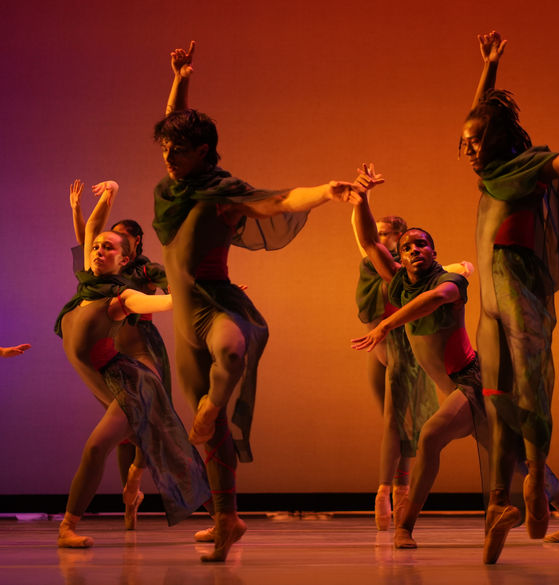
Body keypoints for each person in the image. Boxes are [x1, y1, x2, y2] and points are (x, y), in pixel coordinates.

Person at [155, 41, 374, 561]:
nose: (167, 156)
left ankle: (214, 404)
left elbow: (279, 200)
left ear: (203, 152)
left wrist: (325, 191)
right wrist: (181, 79)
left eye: (178, 150)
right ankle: (226, 519)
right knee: (211, 437)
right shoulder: (175, 188)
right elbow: (174, 124)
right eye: (164, 149)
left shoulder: (225, 191)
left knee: (231, 353)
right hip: (183, 314)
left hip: (214, 303)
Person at [350, 175, 559, 556]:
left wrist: (386, 324)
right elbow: (368, 242)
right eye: (407, 246)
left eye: (421, 244)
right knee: (518, 461)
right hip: (455, 389)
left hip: (474, 383)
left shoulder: (450, 280)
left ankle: (405, 526)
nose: (414, 250)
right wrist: (361, 200)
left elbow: (435, 299)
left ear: (434, 251)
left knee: (430, 436)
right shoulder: (400, 283)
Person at [460, 31, 559, 563]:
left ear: (496, 140)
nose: (468, 149)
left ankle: (533, 480)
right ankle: (499, 502)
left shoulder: (522, 168)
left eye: (476, 141)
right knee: (496, 398)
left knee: (529, 389)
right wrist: (489, 69)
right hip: (490, 299)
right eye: (464, 142)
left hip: (514, 282)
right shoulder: (492, 173)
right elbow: (479, 114)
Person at [55, 180, 209, 548]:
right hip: (108, 376)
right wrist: (110, 194)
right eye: (96, 247)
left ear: (125, 258)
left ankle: (68, 527)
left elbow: (166, 301)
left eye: (108, 247)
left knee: (101, 447)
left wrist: (203, 293)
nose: (97, 250)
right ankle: (222, 517)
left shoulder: (122, 297)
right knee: (156, 443)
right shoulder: (87, 283)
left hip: (132, 382)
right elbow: (91, 229)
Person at [70, 179, 171, 530]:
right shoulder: (100, 273)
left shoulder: (144, 271)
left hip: (142, 348)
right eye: (104, 242)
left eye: (118, 240)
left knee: (148, 420)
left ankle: (135, 479)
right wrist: (77, 210)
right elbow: (88, 237)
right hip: (114, 351)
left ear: (134, 244)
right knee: (123, 431)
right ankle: (130, 499)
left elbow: (171, 287)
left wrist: (203, 293)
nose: (103, 247)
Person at [352, 205, 438, 530]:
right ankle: (392, 490)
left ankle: (393, 490)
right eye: (378, 233)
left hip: (406, 345)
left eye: (386, 233)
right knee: (395, 421)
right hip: (381, 346)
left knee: (402, 421)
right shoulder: (372, 264)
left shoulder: (413, 268)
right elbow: (364, 241)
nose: (380, 238)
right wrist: (361, 200)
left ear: (400, 238)